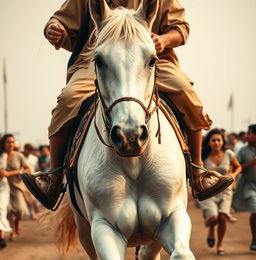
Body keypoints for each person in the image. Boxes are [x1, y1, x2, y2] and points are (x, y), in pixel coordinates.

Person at [21, 0, 233, 209]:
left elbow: (180, 28)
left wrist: (163, 39)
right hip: (101, 61)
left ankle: (197, 171)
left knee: (185, 92)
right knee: (69, 98)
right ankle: (54, 176)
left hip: (147, 60)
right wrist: (54, 29)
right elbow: (62, 21)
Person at [198, 129, 241, 255]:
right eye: (213, 140)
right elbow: (198, 173)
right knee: (214, 218)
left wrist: (233, 174)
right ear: (209, 142)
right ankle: (211, 227)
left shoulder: (228, 154)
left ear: (223, 142)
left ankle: (220, 245)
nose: (216, 143)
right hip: (209, 191)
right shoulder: (203, 155)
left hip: (226, 190)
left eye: (219, 140)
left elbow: (239, 166)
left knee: (222, 217)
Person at [0, 134, 31, 240]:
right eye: (8, 142)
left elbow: (28, 169)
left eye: (12, 142)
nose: (11, 144)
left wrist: (12, 173)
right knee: (7, 210)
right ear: (3, 144)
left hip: (17, 187)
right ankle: (12, 230)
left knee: (20, 210)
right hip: (4, 188)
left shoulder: (18, 156)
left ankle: (17, 222)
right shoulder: (1, 156)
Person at [232, 124, 256, 251]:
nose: (246, 136)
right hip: (249, 187)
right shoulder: (243, 151)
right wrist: (250, 164)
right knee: (255, 210)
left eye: (249, 134)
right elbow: (238, 168)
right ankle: (254, 239)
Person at [0, 141, 12, 249]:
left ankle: (1, 236)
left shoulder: (3, 155)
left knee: (1, 209)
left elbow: (2, 173)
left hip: (2, 187)